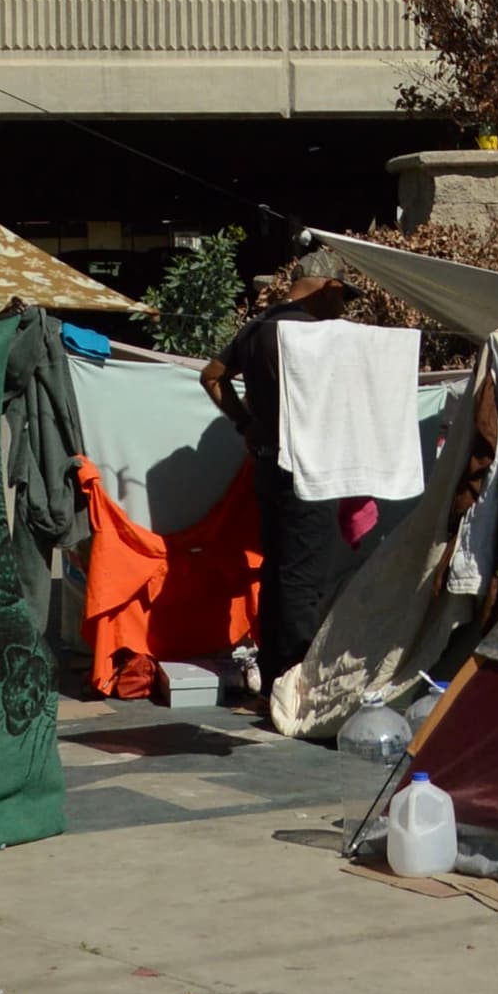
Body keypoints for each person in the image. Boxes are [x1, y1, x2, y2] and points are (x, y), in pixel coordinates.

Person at [201, 273, 365, 689]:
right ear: (327, 287)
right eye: (343, 297)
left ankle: (275, 677)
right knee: (303, 578)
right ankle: (296, 682)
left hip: (268, 464)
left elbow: (211, 375)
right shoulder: (323, 334)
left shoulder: (256, 330)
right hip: (310, 466)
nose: (344, 308)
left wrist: (246, 424)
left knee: (278, 570)